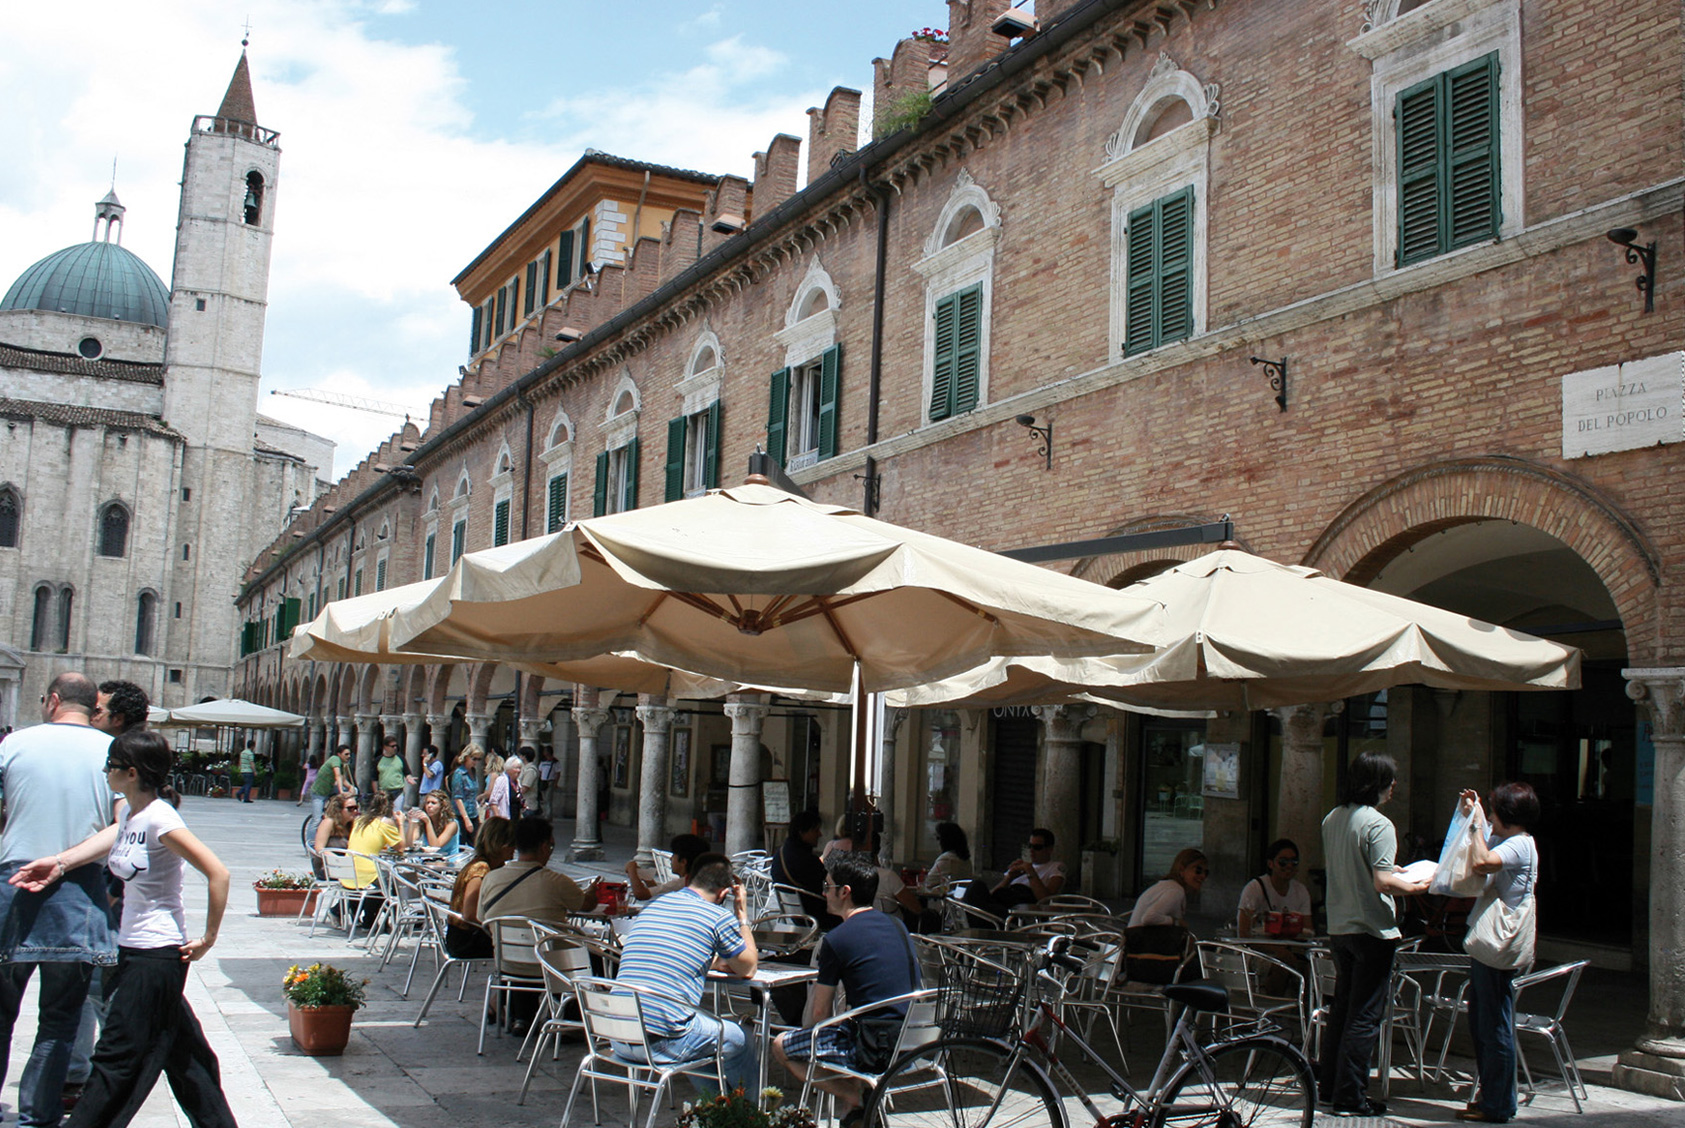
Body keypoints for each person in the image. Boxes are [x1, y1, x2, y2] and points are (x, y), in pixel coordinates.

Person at [10, 729, 236, 1128]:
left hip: (157, 955)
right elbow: (111, 838)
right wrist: (59, 864)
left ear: (131, 773)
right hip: (131, 951)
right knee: (186, 1058)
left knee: (117, 1055)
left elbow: (217, 872)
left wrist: (208, 938)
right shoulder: (133, 815)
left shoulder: (161, 818)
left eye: (110, 766)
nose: (104, 772)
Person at [0, 672, 116, 1128]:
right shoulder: (112, 753)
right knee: (60, 1019)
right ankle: (38, 1116)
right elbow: (121, 827)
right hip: (78, 891)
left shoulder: (13, 745)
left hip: (13, 884)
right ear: (95, 709)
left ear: (51, 701)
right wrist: (64, 861)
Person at [1319, 751, 1431, 1117]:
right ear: (1378, 783)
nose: (1394, 785)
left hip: (1340, 926)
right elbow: (1383, 882)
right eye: (1389, 778)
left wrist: (1390, 870)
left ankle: (1328, 1087)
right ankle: (1351, 1096)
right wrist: (1421, 885)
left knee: (1341, 1010)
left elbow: (1358, 867)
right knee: (1364, 1016)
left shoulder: (1332, 819)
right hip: (1373, 928)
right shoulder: (1379, 824)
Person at [774, 853, 922, 1121]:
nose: (824, 893)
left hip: (873, 1047)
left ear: (845, 892)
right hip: (915, 1043)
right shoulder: (897, 926)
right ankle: (856, 1108)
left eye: (827, 886)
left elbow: (820, 1016)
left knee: (782, 1045)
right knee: (845, 1032)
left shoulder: (837, 939)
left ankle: (853, 1097)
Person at [614, 853, 759, 1093]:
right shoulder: (718, 916)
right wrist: (742, 915)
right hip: (660, 1041)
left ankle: (720, 1111)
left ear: (689, 879)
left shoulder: (653, 906)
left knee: (702, 1034)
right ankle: (750, 1115)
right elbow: (748, 967)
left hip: (616, 1034)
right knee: (740, 1038)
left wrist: (708, 961)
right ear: (724, 893)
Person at [1456, 782, 1540, 1125]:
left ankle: (1497, 1103)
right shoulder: (1509, 841)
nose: (1490, 817)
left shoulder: (1519, 844)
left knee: (1494, 1025)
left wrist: (1476, 823)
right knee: (1484, 1023)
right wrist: (1473, 815)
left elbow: (1483, 863)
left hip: (1497, 946)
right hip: (1490, 948)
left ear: (1506, 815)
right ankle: (1495, 1097)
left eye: (1493, 811)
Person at [342, 791, 417, 929]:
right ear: (390, 807)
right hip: (367, 875)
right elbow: (401, 847)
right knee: (396, 881)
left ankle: (363, 917)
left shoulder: (359, 820)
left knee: (384, 881)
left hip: (349, 871)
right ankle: (389, 921)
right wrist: (400, 824)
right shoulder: (385, 822)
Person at [445, 818, 515, 959]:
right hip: (466, 940)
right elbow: (470, 914)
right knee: (521, 946)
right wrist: (498, 927)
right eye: (512, 844)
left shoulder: (494, 867)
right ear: (502, 845)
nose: (515, 849)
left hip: (470, 934)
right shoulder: (480, 869)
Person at [963, 827, 1066, 918]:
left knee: (976, 905)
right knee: (976, 886)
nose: (1031, 851)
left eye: (1037, 847)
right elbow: (992, 894)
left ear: (1049, 849)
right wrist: (1009, 878)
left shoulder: (1055, 867)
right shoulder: (1022, 866)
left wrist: (1030, 871)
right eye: (1030, 846)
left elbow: (1045, 899)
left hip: (1019, 907)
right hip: (1001, 902)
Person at [772, 809, 837, 928]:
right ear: (802, 832)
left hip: (795, 914)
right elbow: (825, 885)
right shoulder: (804, 860)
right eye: (815, 830)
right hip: (815, 916)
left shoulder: (781, 853)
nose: (820, 834)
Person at [1237, 838, 1314, 937]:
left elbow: (1308, 931)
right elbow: (1244, 933)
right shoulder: (1255, 888)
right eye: (1283, 861)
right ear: (1270, 864)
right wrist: (1277, 951)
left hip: (1291, 947)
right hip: (1258, 948)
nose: (1289, 866)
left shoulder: (1301, 891)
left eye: (1294, 861)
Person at [1129, 848, 1209, 928]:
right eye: (1198, 870)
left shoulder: (1168, 885)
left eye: (1206, 872)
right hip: (1141, 939)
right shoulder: (1175, 891)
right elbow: (1149, 917)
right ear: (1181, 869)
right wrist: (1177, 922)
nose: (1203, 876)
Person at [625, 833, 711, 901]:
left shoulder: (682, 883)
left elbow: (641, 894)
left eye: (674, 855)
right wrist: (647, 879)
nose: (670, 858)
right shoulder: (697, 881)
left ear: (683, 862)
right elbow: (660, 891)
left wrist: (631, 869)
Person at [308, 743, 354, 841]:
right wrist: (341, 791)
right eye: (346, 754)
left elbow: (342, 778)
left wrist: (350, 787)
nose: (349, 756)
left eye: (350, 754)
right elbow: (337, 775)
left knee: (353, 791)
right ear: (339, 754)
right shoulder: (335, 759)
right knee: (316, 820)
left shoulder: (342, 764)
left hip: (329, 790)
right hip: (319, 793)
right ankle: (310, 843)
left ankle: (344, 810)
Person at [922, 822, 973, 895]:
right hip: (960, 899)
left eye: (938, 838)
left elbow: (929, 881)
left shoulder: (946, 860)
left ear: (945, 840)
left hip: (944, 901)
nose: (937, 842)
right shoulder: (966, 860)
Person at [406, 789, 461, 854]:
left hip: (448, 859)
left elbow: (435, 847)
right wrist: (411, 823)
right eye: (427, 803)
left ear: (442, 806)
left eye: (433, 803)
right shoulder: (423, 821)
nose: (429, 806)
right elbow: (409, 844)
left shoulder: (452, 824)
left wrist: (428, 822)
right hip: (428, 859)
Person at [450, 746, 484, 845]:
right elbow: (458, 797)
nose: (476, 762)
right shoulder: (459, 773)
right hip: (461, 815)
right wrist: (466, 819)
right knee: (461, 845)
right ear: (466, 757)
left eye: (478, 759)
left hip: (473, 813)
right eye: (474, 759)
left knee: (475, 844)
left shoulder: (473, 772)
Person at [376, 736, 415, 812]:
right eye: (392, 746)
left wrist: (409, 778)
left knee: (397, 813)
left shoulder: (400, 758)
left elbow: (407, 772)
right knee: (383, 813)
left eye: (396, 746)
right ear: (385, 747)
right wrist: (376, 792)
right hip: (383, 792)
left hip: (398, 791)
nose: (395, 748)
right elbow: (374, 778)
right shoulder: (378, 760)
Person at [487, 755, 521, 820]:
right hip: (504, 820)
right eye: (516, 768)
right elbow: (493, 802)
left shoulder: (517, 783)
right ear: (509, 768)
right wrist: (499, 821)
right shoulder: (502, 780)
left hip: (515, 820)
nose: (518, 771)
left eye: (520, 768)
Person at [517, 749, 541, 817]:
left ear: (524, 756)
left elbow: (525, 788)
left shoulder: (530, 770)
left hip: (528, 805)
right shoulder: (524, 768)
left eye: (520, 755)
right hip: (523, 805)